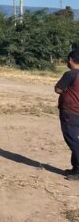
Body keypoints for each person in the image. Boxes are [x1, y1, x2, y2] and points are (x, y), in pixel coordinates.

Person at [54, 49, 79, 179]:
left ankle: (78, 171)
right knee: (76, 141)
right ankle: (75, 169)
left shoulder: (71, 74)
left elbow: (57, 89)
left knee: (74, 142)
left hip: (71, 113)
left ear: (70, 60)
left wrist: (66, 91)